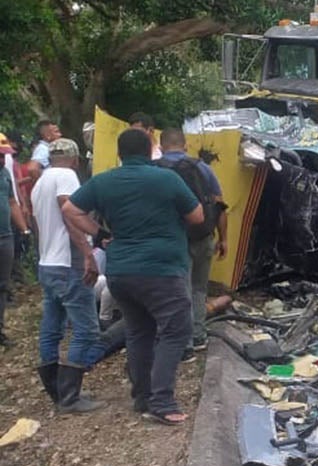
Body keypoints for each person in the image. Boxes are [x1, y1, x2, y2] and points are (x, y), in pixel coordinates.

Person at [62, 129, 204, 425]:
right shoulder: (167, 179)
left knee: (139, 332)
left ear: (120, 153)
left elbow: (70, 209)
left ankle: (142, 397)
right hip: (162, 269)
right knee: (176, 330)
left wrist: (99, 234)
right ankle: (162, 401)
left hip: (121, 272)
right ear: (152, 150)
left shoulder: (104, 180)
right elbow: (198, 216)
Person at [30, 138, 106, 412]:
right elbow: (68, 213)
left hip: (48, 263)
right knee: (87, 330)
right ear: (75, 159)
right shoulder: (66, 176)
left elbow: (37, 221)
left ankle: (56, 391)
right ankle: (69, 397)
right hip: (67, 264)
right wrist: (88, 252)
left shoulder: (40, 182)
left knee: (52, 327)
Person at [157, 127, 227, 356]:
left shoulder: (156, 171)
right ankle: (198, 336)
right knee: (198, 288)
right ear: (185, 145)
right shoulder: (202, 168)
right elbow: (219, 205)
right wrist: (223, 238)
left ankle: (184, 343)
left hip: (172, 239)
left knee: (179, 291)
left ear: (161, 146)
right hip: (203, 235)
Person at [0, 138, 30, 347]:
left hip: (5, 236)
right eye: (0, 155)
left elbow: (12, 202)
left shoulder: (4, 174)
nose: (3, 160)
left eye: (4, 156)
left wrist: (24, 229)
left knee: (2, 286)